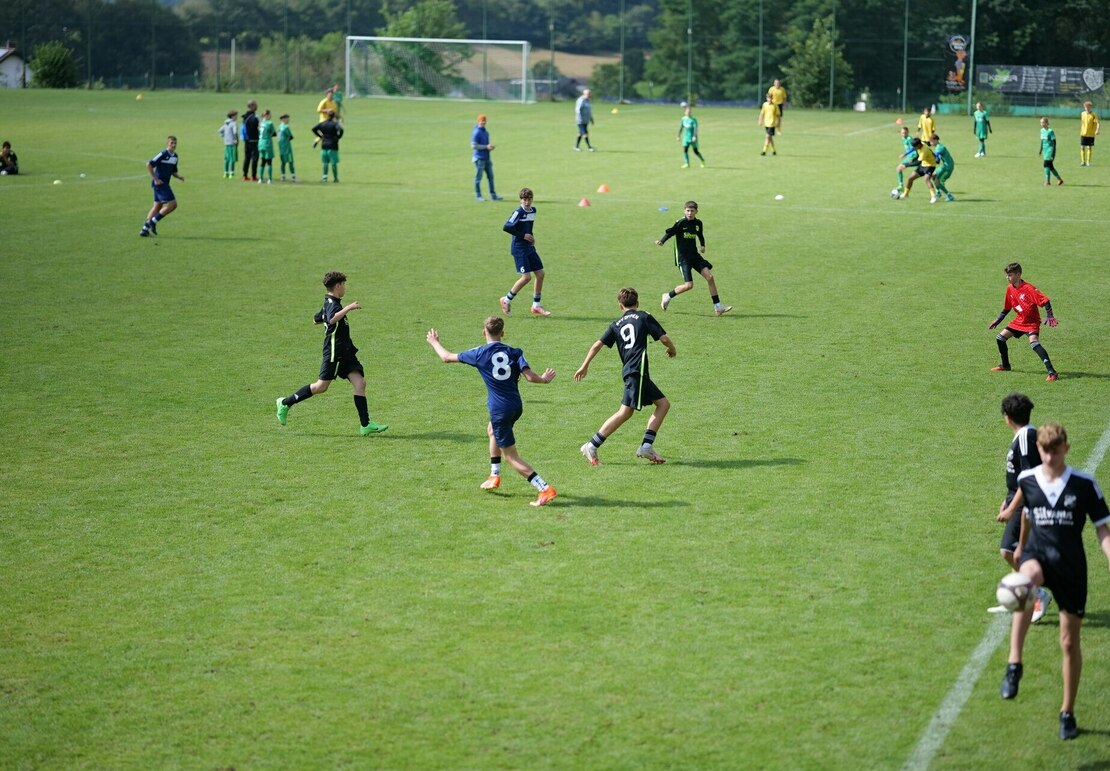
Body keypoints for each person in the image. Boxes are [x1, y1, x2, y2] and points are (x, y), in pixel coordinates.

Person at [998, 422, 1110, 741]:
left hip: (1071, 567)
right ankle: (1014, 664)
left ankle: (1067, 711)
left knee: (1069, 643)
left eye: (1055, 451)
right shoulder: (1027, 479)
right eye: (1045, 451)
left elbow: (1102, 527)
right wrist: (1021, 546)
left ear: (1066, 449)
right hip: (1038, 555)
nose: (1049, 458)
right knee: (1025, 581)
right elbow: (1027, 514)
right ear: (1039, 450)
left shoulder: (1084, 484)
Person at [425, 317, 557, 507]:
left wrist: (434, 342)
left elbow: (446, 357)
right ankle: (494, 475)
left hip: (499, 409)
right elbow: (530, 377)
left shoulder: (479, 353)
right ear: (502, 333)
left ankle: (544, 488)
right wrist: (544, 379)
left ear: (483, 332)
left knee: (511, 457)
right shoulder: (515, 352)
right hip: (515, 406)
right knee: (491, 430)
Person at [275, 271, 388, 436]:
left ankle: (366, 425)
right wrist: (348, 308)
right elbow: (331, 319)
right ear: (338, 286)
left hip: (346, 353)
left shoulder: (330, 302)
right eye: (344, 285)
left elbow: (317, 319)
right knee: (321, 387)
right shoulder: (333, 304)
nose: (345, 288)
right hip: (334, 353)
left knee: (360, 383)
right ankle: (285, 403)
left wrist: (325, 318)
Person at [574, 287, 676, 465]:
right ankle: (592, 445)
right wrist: (672, 349)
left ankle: (646, 445)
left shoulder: (616, 324)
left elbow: (597, 345)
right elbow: (665, 339)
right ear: (637, 303)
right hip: (637, 371)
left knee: (663, 404)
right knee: (625, 412)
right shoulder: (643, 316)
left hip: (634, 371)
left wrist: (584, 366)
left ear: (620, 306)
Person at [989, 393, 1051, 621]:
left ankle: (1037, 594)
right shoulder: (1025, 435)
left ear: (1007, 417)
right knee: (1011, 551)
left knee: (1010, 551)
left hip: (1027, 502)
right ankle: (1022, 595)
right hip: (1018, 497)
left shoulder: (1025, 437)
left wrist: (1010, 506)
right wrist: (1008, 498)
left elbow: (1029, 477)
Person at [657, 201, 732, 316]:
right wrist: (662, 241)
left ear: (696, 211)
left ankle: (717, 307)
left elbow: (700, 234)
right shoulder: (680, 223)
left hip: (695, 256)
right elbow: (671, 232)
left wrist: (702, 245)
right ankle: (668, 296)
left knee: (710, 277)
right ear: (684, 211)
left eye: (692, 211)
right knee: (689, 285)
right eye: (687, 210)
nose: (690, 213)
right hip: (683, 258)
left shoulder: (698, 223)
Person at [988, 262, 1059, 381]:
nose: (1007, 277)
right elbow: (1007, 307)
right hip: (1019, 321)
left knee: (1034, 343)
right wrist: (998, 320)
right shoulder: (1010, 288)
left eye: (1010, 275)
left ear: (1018, 275)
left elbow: (1045, 300)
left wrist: (1050, 315)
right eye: (1007, 275)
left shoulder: (1029, 289)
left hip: (1031, 322)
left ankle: (1052, 372)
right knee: (1000, 338)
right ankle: (1005, 365)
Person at [499, 187, 550, 317]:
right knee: (526, 277)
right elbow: (506, 227)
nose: (527, 202)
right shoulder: (518, 212)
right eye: (524, 199)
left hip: (529, 247)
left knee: (540, 273)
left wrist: (531, 237)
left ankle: (536, 305)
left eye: (529, 199)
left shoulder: (533, 210)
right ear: (520, 200)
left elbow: (528, 227)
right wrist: (523, 236)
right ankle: (506, 300)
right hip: (519, 249)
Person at [139, 135, 184, 238]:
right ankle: (153, 221)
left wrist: (179, 177)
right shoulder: (163, 154)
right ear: (167, 143)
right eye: (171, 143)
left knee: (157, 206)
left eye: (175, 143)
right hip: (160, 184)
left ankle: (144, 230)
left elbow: (173, 171)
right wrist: (155, 179)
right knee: (173, 204)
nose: (173, 145)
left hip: (164, 184)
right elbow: (149, 164)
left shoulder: (175, 156)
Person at [471, 114, 502, 201]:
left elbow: (485, 145)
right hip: (479, 158)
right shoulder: (476, 132)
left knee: (491, 177)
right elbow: (473, 146)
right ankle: (478, 195)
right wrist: (485, 147)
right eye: (481, 121)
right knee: (478, 178)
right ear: (478, 121)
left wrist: (489, 147)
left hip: (487, 158)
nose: (483, 122)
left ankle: (493, 195)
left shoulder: (485, 131)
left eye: (484, 121)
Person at [899, 138, 937, 203]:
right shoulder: (920, 144)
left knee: (926, 179)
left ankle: (933, 197)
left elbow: (918, 162)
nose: (914, 148)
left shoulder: (924, 151)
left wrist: (906, 165)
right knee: (910, 178)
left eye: (915, 147)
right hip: (923, 165)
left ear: (919, 145)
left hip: (930, 165)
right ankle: (906, 194)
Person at [312, 109, 343, 183]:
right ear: (334, 116)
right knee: (333, 163)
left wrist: (320, 136)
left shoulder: (323, 123)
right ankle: (335, 178)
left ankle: (324, 177)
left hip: (324, 144)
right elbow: (341, 130)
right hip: (333, 145)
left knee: (325, 162)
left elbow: (314, 129)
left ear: (327, 115)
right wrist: (338, 137)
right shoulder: (335, 124)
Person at [930, 133, 956, 202]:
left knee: (937, 181)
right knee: (933, 175)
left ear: (935, 140)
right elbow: (938, 159)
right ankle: (938, 192)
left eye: (931, 141)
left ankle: (950, 196)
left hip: (948, 167)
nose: (930, 143)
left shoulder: (939, 147)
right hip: (945, 165)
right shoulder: (938, 146)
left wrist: (933, 157)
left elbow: (937, 154)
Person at [1039, 116, 1063, 186]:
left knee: (1046, 164)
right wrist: (1040, 150)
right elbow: (1042, 141)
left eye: (1043, 122)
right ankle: (1059, 179)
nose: (1042, 124)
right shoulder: (1041, 131)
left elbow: (1054, 142)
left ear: (1047, 123)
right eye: (1041, 122)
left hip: (1050, 150)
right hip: (1045, 150)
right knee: (1050, 166)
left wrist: (1052, 153)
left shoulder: (1050, 131)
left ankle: (1047, 182)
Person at [895, 125, 918, 193]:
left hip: (913, 156)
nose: (904, 134)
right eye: (902, 133)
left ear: (908, 132)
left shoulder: (909, 139)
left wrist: (905, 155)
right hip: (909, 157)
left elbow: (913, 148)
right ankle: (900, 185)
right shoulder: (903, 138)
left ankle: (901, 185)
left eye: (905, 133)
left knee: (899, 168)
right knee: (898, 169)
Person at [242, 99, 260, 182]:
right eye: (255, 105)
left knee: (247, 158)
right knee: (254, 158)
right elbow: (257, 129)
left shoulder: (245, 116)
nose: (257, 106)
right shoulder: (254, 117)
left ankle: (244, 175)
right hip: (254, 140)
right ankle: (253, 176)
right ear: (251, 106)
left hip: (247, 140)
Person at [257, 109, 277, 184]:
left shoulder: (261, 123)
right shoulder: (269, 123)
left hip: (260, 143)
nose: (271, 116)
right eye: (270, 114)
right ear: (266, 115)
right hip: (267, 143)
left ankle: (260, 179)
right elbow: (274, 133)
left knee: (262, 161)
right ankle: (270, 179)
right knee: (269, 162)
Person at [217, 110, 238, 178]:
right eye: (235, 115)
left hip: (226, 143)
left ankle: (225, 172)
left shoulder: (226, 123)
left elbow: (220, 131)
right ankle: (231, 173)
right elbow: (234, 132)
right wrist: (235, 140)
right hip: (232, 143)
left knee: (226, 158)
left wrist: (224, 136)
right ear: (232, 116)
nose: (236, 117)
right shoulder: (233, 123)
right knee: (232, 158)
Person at [1079, 101, 1100, 167]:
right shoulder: (1082, 114)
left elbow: (1098, 123)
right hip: (1083, 133)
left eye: (1088, 107)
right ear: (1084, 107)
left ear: (1090, 107)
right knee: (1082, 147)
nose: (1087, 108)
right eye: (1086, 107)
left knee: (1089, 147)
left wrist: (1097, 130)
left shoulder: (1094, 115)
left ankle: (1088, 162)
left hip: (1090, 134)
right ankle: (1083, 162)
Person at [278, 113, 296, 182]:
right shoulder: (286, 127)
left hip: (281, 147)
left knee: (283, 162)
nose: (288, 120)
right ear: (283, 119)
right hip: (287, 148)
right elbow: (291, 136)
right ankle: (293, 176)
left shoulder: (279, 127)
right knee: (290, 161)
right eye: (287, 118)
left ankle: (283, 175)